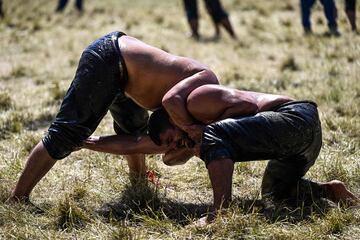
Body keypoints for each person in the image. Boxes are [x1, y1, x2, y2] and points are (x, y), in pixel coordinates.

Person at [7, 31, 219, 204]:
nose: (175, 142)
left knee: (133, 130)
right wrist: (189, 131)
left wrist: (191, 145)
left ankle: (138, 182)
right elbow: (170, 101)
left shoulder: (195, 128)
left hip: (126, 79)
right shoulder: (205, 84)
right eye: (176, 140)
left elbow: (161, 154)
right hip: (110, 57)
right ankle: (18, 198)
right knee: (65, 135)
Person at [147, 85, 359, 222]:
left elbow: (247, 105)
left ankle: (219, 212)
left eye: (171, 138)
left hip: (295, 117)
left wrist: (205, 130)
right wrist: (188, 142)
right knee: (273, 194)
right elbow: (170, 160)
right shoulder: (193, 133)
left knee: (213, 133)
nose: (177, 143)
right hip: (302, 140)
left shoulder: (196, 100)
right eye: (172, 144)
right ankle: (331, 191)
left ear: (173, 119)